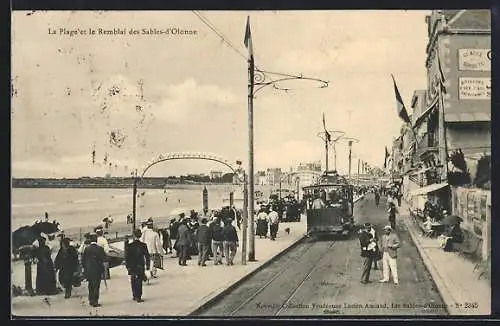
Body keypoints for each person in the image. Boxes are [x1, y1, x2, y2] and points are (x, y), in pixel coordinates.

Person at [125, 229, 150, 303]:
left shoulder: (130, 246)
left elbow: (127, 257)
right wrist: (148, 265)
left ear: (133, 235)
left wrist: (128, 266)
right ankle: (138, 296)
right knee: (139, 280)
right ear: (141, 235)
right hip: (140, 265)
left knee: (133, 280)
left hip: (132, 265)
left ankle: (134, 295)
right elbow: (147, 256)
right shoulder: (143, 245)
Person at [82, 233, 106, 307]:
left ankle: (91, 300)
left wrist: (85, 269)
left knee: (90, 285)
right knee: (96, 286)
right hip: (97, 270)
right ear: (96, 240)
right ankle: (95, 301)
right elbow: (104, 259)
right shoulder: (100, 249)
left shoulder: (87, 249)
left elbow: (83, 261)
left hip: (89, 270)